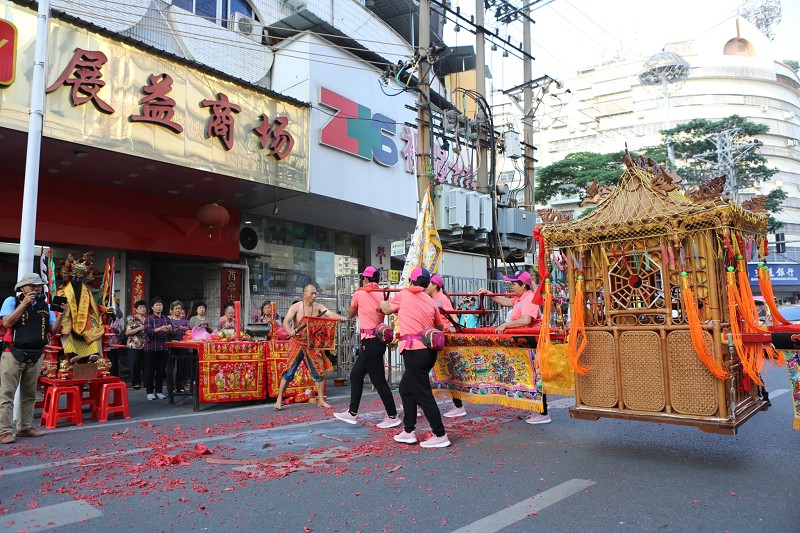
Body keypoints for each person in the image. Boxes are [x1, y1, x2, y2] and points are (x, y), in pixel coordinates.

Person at [381, 267, 450, 448]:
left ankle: (440, 434)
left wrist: (383, 302)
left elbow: (387, 310)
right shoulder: (430, 299)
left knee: (423, 393)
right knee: (406, 388)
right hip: (429, 351)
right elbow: (440, 326)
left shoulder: (404, 295)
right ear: (427, 284)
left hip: (414, 352)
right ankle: (408, 430)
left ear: (411, 282)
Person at [0, 274, 65, 444]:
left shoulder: (46, 306)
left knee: (29, 394)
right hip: (13, 353)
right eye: (32, 286)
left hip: (36, 354)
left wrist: (61, 315)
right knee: (7, 393)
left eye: (39, 286)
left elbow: (53, 331)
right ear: (23, 288)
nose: (37, 289)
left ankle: (24, 427)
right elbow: (7, 322)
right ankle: (4, 432)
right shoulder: (11, 301)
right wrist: (24, 304)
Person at [333, 266, 400, 429]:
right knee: (356, 375)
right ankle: (352, 413)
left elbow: (350, 313)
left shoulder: (360, 293)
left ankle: (392, 415)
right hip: (376, 341)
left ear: (365, 279)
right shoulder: (383, 293)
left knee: (379, 381)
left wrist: (355, 302)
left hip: (369, 342)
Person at [478, 270, 549, 425]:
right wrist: (489, 293)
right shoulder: (520, 298)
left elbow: (526, 320)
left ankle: (543, 412)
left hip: (533, 342)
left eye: (514, 284)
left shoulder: (530, 298)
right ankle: (536, 410)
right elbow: (504, 301)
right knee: (530, 375)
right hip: (524, 342)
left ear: (523, 285)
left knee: (536, 376)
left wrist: (506, 324)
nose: (511, 286)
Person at [276, 285, 348, 410]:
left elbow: (330, 313)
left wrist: (340, 318)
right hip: (297, 342)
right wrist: (290, 331)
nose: (314, 296)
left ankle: (320, 399)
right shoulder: (296, 306)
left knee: (318, 372)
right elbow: (286, 321)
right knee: (289, 372)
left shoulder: (319, 307)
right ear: (304, 294)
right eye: (311, 293)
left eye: (315, 293)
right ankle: (278, 399)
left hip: (312, 343)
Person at [57, 251, 109, 364]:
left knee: (96, 329)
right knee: (65, 329)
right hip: (67, 319)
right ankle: (71, 353)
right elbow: (57, 308)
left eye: (80, 279)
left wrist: (104, 309)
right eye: (75, 278)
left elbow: (93, 306)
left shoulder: (86, 291)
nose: (78, 281)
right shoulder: (62, 291)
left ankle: (94, 354)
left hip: (85, 319)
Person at [426, 274, 465, 419]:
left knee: (448, 372)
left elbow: (453, 317)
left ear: (435, 285)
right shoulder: (433, 299)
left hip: (444, 340)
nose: (426, 286)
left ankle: (458, 406)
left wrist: (451, 328)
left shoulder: (441, 299)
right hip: (438, 339)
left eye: (428, 283)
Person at [143, 296, 171, 400]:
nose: (159, 307)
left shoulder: (166, 318)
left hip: (163, 348)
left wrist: (170, 329)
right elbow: (147, 331)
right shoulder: (149, 318)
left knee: (161, 370)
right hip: (151, 348)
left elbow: (171, 333)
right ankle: (149, 392)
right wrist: (159, 329)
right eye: (157, 305)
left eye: (160, 305)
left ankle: (159, 391)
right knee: (150, 370)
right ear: (152, 307)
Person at [168, 300, 192, 392]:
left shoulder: (184, 321)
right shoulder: (169, 320)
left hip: (183, 345)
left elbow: (189, 331)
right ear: (172, 310)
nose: (178, 310)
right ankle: (171, 387)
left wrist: (186, 328)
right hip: (172, 345)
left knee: (182, 366)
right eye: (176, 309)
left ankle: (180, 386)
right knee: (171, 367)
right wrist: (178, 328)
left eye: (179, 309)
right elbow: (169, 333)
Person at [125, 300, 147, 390]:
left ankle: (147, 382)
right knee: (134, 365)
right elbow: (127, 332)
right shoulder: (132, 319)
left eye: (144, 307)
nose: (143, 309)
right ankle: (136, 383)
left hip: (146, 345)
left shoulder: (148, 319)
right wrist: (140, 328)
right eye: (141, 307)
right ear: (136, 310)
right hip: (133, 346)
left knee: (147, 365)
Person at [107, 308, 125, 377]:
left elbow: (120, 332)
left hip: (113, 345)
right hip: (103, 346)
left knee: (113, 362)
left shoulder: (116, 319)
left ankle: (113, 377)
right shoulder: (100, 318)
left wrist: (115, 330)